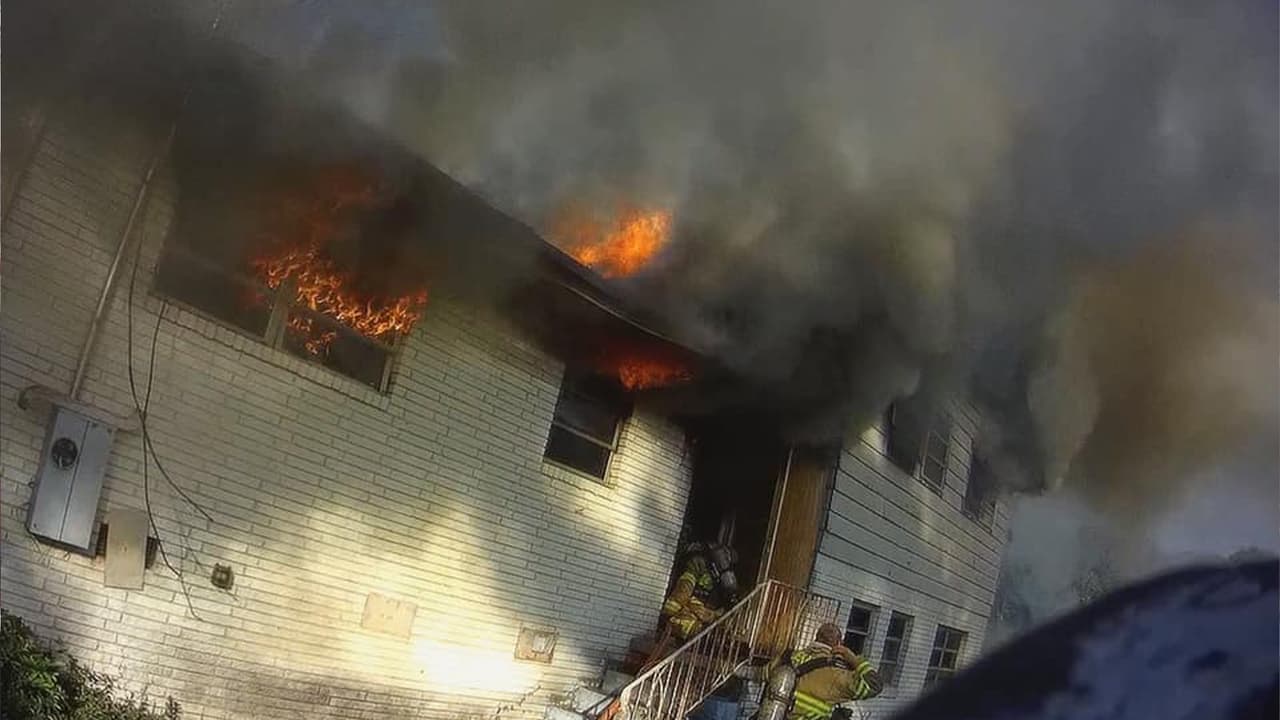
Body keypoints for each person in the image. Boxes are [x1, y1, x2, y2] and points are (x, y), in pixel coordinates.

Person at [786, 622, 883, 720]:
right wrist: (854, 659)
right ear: (839, 645)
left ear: (816, 638)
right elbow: (874, 685)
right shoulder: (838, 674)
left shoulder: (793, 658)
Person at [660, 541, 740, 641]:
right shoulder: (721, 579)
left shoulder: (697, 563)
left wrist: (667, 614)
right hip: (703, 621)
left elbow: (683, 589)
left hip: (692, 623)